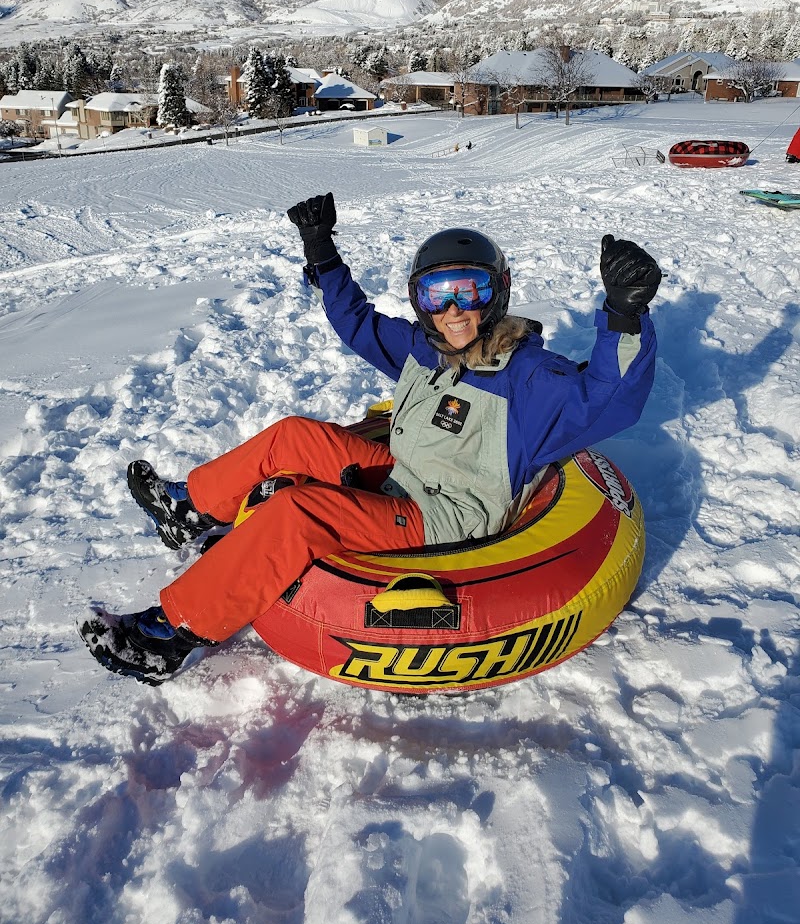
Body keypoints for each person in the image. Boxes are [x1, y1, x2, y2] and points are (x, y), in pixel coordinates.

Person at [79, 193, 662, 685]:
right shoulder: (424, 350)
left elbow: (609, 399)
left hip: (444, 514)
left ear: (499, 292)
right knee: (294, 436)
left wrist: (624, 314)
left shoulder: (532, 379)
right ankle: (189, 507)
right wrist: (322, 254)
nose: (455, 310)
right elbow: (358, 323)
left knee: (297, 512)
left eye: (470, 290)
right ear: (421, 301)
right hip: (404, 470)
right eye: (438, 295)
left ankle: (174, 632)